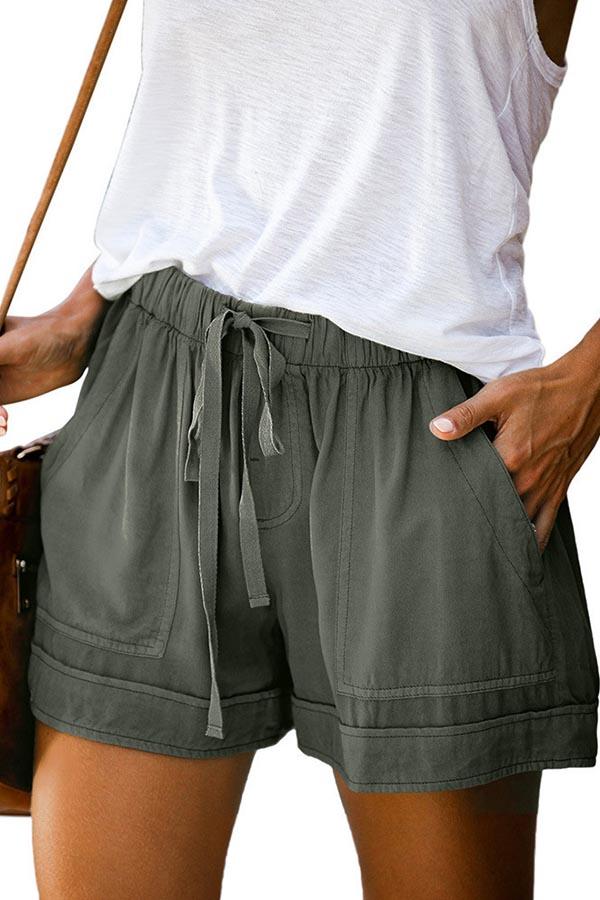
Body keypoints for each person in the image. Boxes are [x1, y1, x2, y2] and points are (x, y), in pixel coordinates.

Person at [0, 1, 597, 897]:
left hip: (422, 437)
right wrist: (85, 308)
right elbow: (228, 115)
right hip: (158, 395)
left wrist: (590, 385)